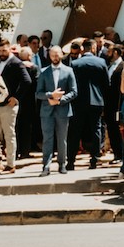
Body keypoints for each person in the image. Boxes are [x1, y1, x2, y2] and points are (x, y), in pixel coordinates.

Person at [69, 38, 112, 170]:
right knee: (96, 129)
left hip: (79, 100)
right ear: (93, 48)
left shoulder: (75, 64)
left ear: (83, 49)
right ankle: (94, 158)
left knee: (75, 130)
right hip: (97, 100)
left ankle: (71, 160)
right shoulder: (101, 62)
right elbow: (106, 84)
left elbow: (72, 83)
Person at [37, 45, 77, 176]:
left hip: (63, 110)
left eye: (57, 54)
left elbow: (74, 91)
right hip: (47, 111)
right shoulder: (43, 71)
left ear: (61, 55)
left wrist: (61, 99)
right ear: (49, 56)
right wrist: (50, 95)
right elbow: (38, 93)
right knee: (47, 139)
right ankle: (46, 166)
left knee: (62, 139)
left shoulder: (69, 71)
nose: (55, 57)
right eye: (52, 54)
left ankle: (62, 164)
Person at [0, 42, 31, 173]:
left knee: (9, 135)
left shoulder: (16, 62)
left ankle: (10, 163)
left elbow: (27, 81)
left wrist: (16, 97)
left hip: (9, 105)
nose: (1, 53)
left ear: (9, 49)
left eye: (4, 50)